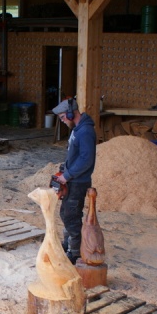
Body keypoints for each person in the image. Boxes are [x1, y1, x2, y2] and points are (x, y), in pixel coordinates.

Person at [51, 97, 96, 264]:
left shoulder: (85, 131)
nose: (63, 121)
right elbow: (75, 156)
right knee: (65, 213)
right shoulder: (77, 129)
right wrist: (65, 169)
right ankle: (67, 244)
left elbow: (86, 160)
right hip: (72, 179)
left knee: (72, 216)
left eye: (63, 117)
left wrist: (67, 175)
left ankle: (75, 252)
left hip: (78, 181)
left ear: (71, 114)